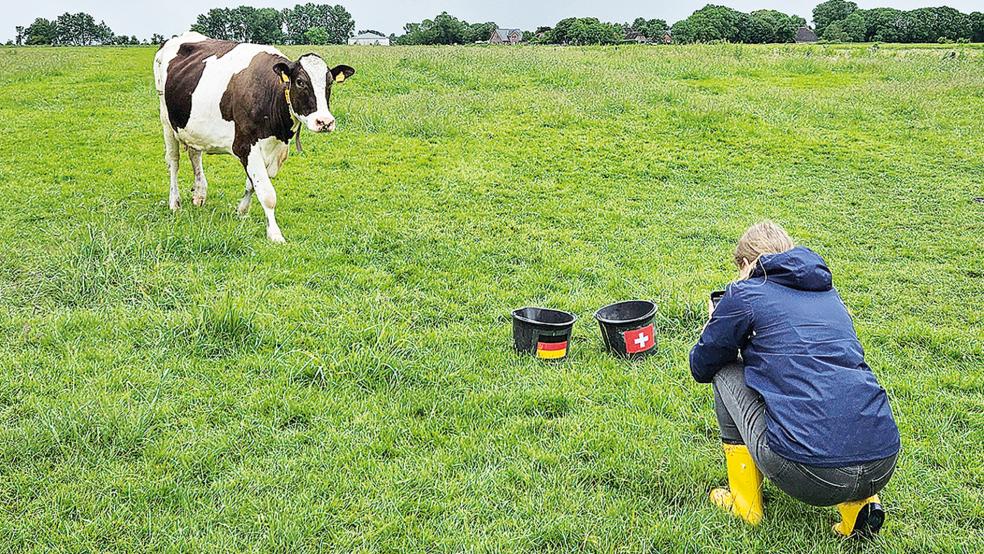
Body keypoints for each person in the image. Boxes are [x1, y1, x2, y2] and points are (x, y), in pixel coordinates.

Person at [690, 221, 900, 538]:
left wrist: (713, 325)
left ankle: (746, 504)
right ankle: (860, 507)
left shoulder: (745, 291)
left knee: (724, 369)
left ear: (747, 264)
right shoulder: (829, 294)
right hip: (882, 462)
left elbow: (702, 365)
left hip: (811, 474)